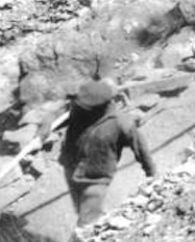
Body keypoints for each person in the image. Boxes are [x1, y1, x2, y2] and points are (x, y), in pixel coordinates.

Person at [59, 79, 155, 228]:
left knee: (86, 222)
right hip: (73, 170)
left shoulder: (120, 122)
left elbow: (140, 147)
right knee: (82, 209)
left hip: (96, 177)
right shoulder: (81, 110)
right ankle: (98, 220)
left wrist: (151, 174)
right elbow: (57, 115)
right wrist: (44, 128)